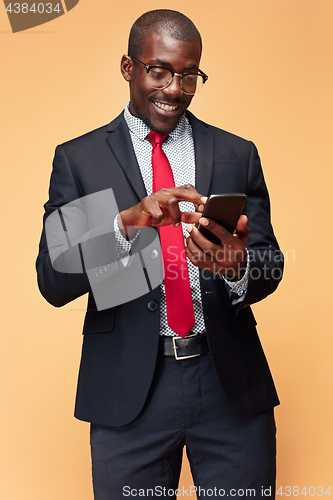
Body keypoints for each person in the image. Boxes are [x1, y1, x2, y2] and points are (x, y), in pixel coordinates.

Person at [36, 9, 283, 500]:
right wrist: (126, 224)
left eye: (190, 76)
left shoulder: (237, 153)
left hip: (229, 384)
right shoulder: (81, 160)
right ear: (129, 68)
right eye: (160, 71)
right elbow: (53, 278)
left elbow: (270, 263)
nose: (175, 88)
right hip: (128, 395)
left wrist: (237, 267)